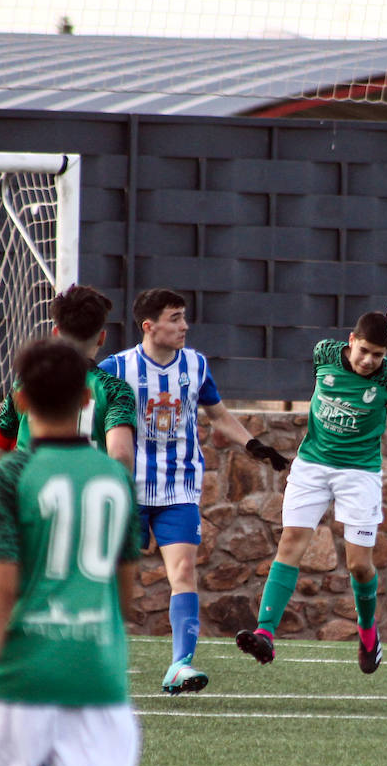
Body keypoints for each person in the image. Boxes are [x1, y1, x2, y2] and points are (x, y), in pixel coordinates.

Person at [0, 338, 144, 766]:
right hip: (97, 675)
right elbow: (124, 591)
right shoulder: (115, 478)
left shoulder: (7, 475)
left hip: (21, 677)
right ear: (87, 400)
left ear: (19, 402)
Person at [236, 311, 387, 673]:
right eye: (364, 350)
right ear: (350, 341)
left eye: (378, 355)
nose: (369, 360)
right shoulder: (324, 354)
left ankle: (367, 631)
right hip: (312, 466)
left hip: (359, 474)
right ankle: (266, 635)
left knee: (359, 566)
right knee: (291, 544)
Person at [98, 288, 289, 696]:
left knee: (183, 572)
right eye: (175, 318)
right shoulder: (115, 368)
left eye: (184, 317)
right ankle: (95, 662)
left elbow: (218, 415)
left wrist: (254, 446)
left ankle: (179, 666)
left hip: (179, 488)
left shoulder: (196, 365)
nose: (185, 326)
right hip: (125, 489)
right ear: (149, 326)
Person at [0, 284, 136, 475]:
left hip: (30, 493)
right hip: (85, 494)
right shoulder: (115, 390)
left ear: (55, 332)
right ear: (102, 338)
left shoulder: (27, 383)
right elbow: (121, 453)